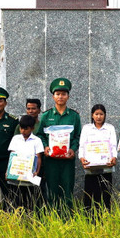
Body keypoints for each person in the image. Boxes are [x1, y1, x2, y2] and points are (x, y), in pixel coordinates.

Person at [36, 78, 82, 211]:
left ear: (68, 96)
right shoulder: (46, 116)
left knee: (67, 189)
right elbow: (40, 135)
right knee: (52, 190)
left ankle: (68, 218)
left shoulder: (74, 116)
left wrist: (73, 149)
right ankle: (53, 218)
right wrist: (45, 146)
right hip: (51, 160)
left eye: (63, 94)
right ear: (53, 96)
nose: (60, 96)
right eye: (57, 94)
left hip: (67, 159)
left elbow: (78, 136)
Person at [79, 104, 118, 212]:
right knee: (89, 195)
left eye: (101, 114)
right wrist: (82, 158)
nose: (99, 117)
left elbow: (113, 145)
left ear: (105, 115)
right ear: (92, 115)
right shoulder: (86, 128)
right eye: (96, 114)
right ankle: (88, 218)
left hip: (106, 167)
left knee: (105, 194)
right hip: (90, 167)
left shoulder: (110, 128)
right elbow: (82, 146)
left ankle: (105, 217)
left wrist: (114, 157)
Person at [6, 115, 44, 212]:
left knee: (29, 202)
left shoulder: (37, 140)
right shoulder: (16, 138)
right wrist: (8, 171)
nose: (23, 131)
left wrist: (37, 171)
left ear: (32, 128)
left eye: (26, 129)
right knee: (15, 201)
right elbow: (12, 156)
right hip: (16, 175)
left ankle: (29, 222)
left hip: (29, 176)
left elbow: (39, 157)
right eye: (21, 128)